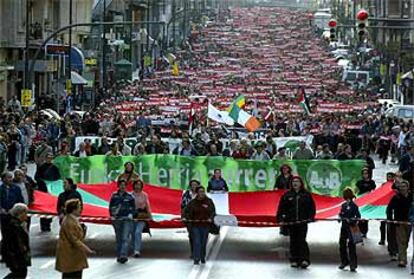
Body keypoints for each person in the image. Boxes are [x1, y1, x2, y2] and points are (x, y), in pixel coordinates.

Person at [276, 176, 316, 268]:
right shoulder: (287, 195)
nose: (295, 183)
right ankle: (294, 259)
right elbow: (281, 208)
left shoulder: (306, 195)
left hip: (302, 222)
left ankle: (304, 259)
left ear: (301, 183)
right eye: (293, 181)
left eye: (297, 181)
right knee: (293, 240)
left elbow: (312, 207)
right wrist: (280, 219)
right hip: (291, 222)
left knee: (302, 240)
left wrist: (310, 217)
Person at [56, 199, 95, 279]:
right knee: (72, 275)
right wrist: (86, 249)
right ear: (73, 209)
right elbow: (74, 239)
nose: (80, 209)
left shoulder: (72, 220)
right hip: (70, 254)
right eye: (79, 207)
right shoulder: (69, 222)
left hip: (73, 254)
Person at [184, 186, 216, 265]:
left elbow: (213, 212)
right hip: (195, 225)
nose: (202, 193)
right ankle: (196, 258)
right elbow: (186, 212)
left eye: (203, 191)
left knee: (203, 242)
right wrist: (186, 218)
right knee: (197, 241)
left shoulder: (209, 201)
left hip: (205, 225)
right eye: (200, 192)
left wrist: (210, 218)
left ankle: (202, 256)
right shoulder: (192, 203)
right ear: (197, 193)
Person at [109, 179, 136, 264]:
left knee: (125, 238)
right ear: (118, 186)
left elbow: (134, 209)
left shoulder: (130, 197)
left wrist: (131, 214)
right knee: (119, 238)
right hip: (117, 220)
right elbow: (111, 207)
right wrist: (112, 216)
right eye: (121, 185)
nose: (123, 187)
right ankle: (118, 255)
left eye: (124, 185)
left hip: (127, 220)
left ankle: (123, 255)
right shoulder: (114, 196)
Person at [386, 180, 411, 267]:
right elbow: (389, 209)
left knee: (406, 241)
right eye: (401, 187)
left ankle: (403, 255)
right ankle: (402, 260)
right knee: (401, 241)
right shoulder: (396, 198)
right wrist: (391, 220)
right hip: (399, 222)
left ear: (408, 187)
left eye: (404, 186)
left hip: (409, 223)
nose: (402, 188)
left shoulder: (411, 197)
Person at [0, 171, 24, 261]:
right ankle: (5, 254)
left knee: (15, 234)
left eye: (11, 177)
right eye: (8, 177)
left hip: (14, 215)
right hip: (4, 215)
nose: (10, 179)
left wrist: (15, 209)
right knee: (5, 234)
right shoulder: (1, 189)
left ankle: (15, 253)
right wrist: (1, 209)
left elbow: (20, 200)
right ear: (3, 179)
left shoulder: (16, 188)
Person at [2, 203, 31, 278]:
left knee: (19, 273)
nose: (26, 216)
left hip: (15, 255)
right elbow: (19, 241)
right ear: (20, 213)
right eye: (25, 213)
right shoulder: (15, 225)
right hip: (16, 256)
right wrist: (23, 250)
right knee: (19, 274)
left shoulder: (16, 223)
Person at [35, 153, 61, 232]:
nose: (49, 159)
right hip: (43, 191)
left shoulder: (55, 168)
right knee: (43, 209)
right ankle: (43, 225)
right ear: (45, 158)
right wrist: (43, 182)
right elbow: (37, 177)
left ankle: (48, 223)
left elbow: (58, 178)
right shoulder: (41, 167)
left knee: (50, 208)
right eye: (48, 158)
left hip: (51, 192)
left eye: (51, 158)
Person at [338, 187, 361, 272]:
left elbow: (358, 216)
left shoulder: (354, 206)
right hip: (344, 227)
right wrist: (340, 217)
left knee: (351, 246)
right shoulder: (343, 205)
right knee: (342, 245)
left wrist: (351, 220)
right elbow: (341, 213)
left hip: (352, 227)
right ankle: (344, 261)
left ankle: (353, 264)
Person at [130, 180, 152, 258]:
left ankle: (137, 250)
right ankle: (133, 248)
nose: (138, 186)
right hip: (133, 216)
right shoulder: (131, 195)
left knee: (137, 232)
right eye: (136, 184)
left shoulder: (144, 195)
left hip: (142, 216)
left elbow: (147, 206)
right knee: (132, 233)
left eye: (139, 185)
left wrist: (150, 216)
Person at [181, 179, 200, 258]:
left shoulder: (201, 194)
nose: (194, 186)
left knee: (198, 236)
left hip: (199, 217)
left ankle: (199, 252)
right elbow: (182, 205)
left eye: (195, 185)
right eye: (192, 185)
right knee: (191, 235)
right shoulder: (186, 194)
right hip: (189, 217)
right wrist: (183, 216)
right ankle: (193, 252)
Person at [355, 168, 376, 237]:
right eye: (363, 173)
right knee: (360, 216)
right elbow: (356, 191)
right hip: (360, 200)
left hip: (368, 201)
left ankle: (364, 232)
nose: (365, 175)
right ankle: (359, 231)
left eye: (366, 173)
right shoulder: (359, 182)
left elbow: (374, 191)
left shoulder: (372, 182)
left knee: (366, 217)